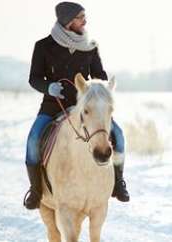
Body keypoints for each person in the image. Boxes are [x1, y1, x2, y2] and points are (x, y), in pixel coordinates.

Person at [24, 2, 130, 210]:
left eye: (84, 16)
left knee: (118, 135)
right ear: (68, 21)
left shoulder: (90, 46)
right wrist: (49, 87)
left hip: (87, 110)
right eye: (81, 17)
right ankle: (36, 192)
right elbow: (34, 78)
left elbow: (100, 76)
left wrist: (94, 88)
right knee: (33, 139)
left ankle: (118, 183)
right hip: (53, 106)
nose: (85, 21)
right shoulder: (43, 46)